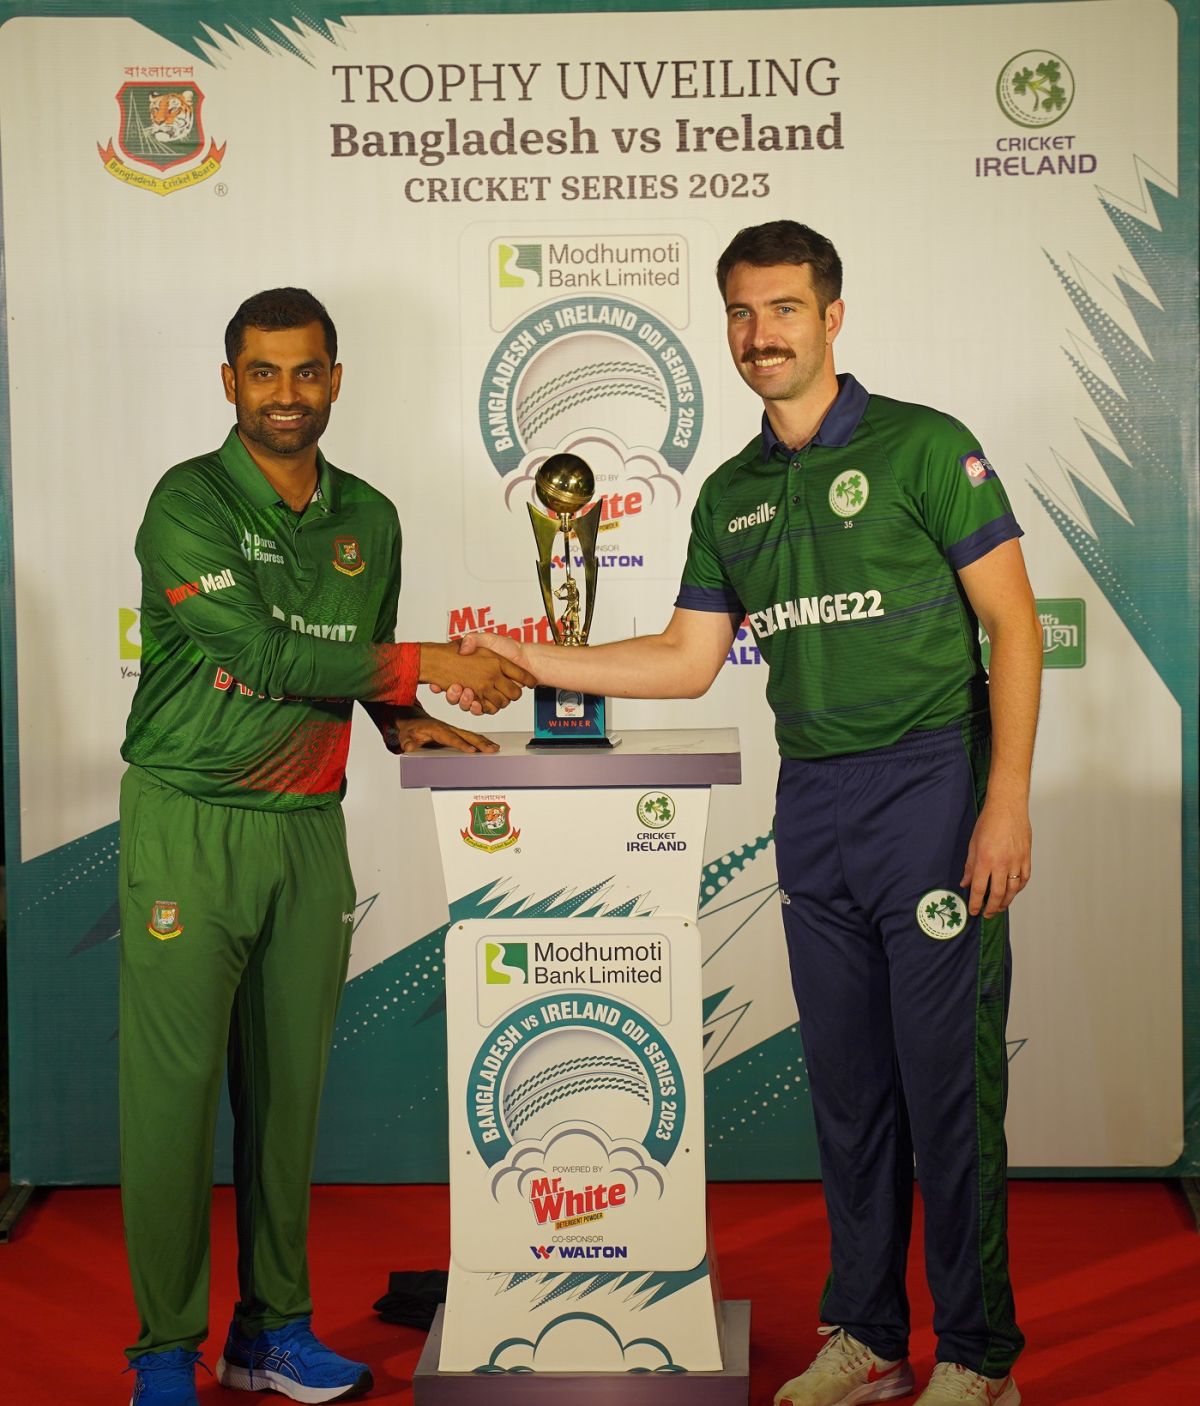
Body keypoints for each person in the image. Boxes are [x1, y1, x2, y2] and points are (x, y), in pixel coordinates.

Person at [452, 222, 1041, 1406]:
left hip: (932, 786)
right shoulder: (730, 490)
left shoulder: (928, 446)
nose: (759, 333)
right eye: (739, 311)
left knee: (946, 1086)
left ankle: (978, 1357)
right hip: (812, 796)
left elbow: (1015, 627)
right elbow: (683, 657)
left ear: (831, 315)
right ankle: (870, 1337)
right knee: (848, 1084)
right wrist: (527, 654)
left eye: (782, 308)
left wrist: (1005, 801)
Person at [118, 287, 533, 1406]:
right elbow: (260, 651)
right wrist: (425, 665)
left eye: (307, 372)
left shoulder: (371, 517)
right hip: (190, 823)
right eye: (264, 373)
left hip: (308, 825)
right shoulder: (187, 502)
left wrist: (411, 721)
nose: (287, 395)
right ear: (230, 383)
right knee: (172, 1098)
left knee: (286, 1094)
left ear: (336, 379)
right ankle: (165, 1349)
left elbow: (348, 666)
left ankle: (273, 1331)